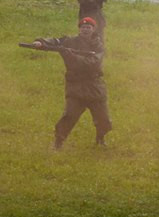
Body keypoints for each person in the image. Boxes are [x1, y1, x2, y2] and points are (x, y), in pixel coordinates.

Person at [30, 17, 111, 149]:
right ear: (79, 29)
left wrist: (71, 56)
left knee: (103, 118)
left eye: (88, 27)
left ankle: (100, 139)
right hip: (75, 86)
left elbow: (92, 63)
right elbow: (56, 42)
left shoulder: (98, 46)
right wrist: (40, 42)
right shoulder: (70, 41)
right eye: (83, 27)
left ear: (93, 29)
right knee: (69, 115)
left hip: (94, 86)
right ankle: (58, 142)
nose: (85, 30)